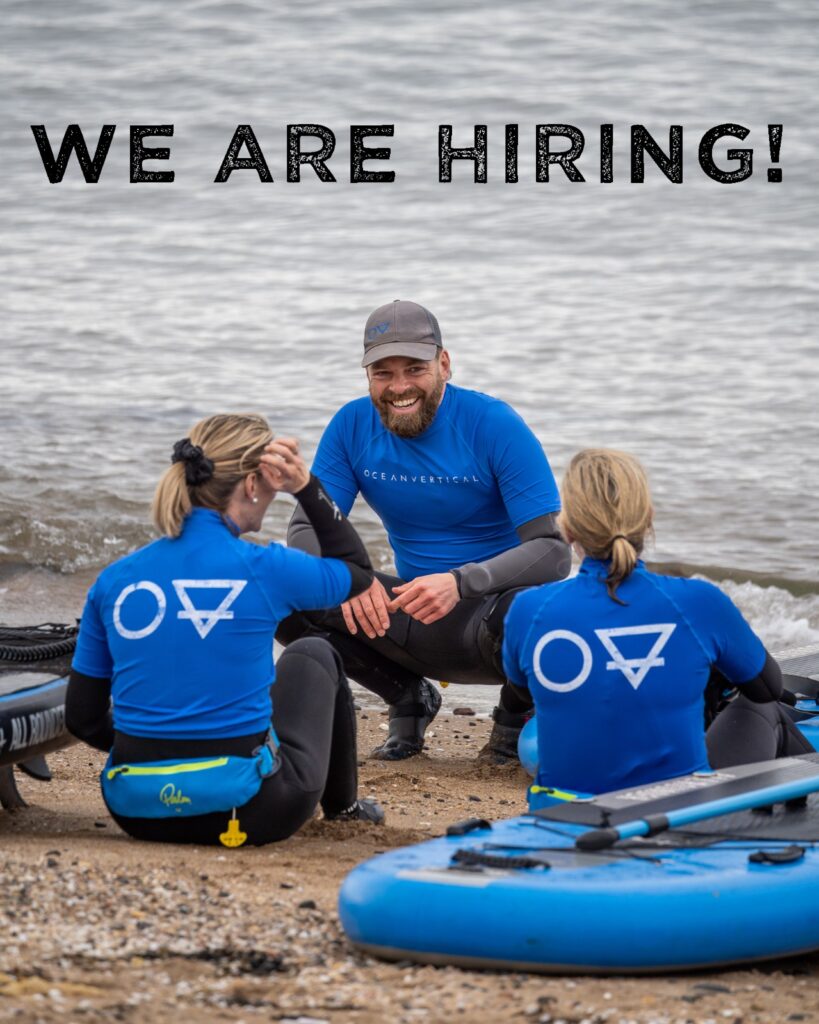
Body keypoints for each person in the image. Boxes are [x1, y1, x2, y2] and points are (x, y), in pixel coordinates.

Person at [66, 413, 384, 846]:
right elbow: (358, 573)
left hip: (137, 811)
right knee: (313, 653)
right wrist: (306, 486)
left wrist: (164, 761)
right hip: (252, 811)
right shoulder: (266, 568)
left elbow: (82, 720)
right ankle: (344, 809)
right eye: (271, 484)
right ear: (252, 484)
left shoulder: (116, 580)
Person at [278, 300, 571, 761]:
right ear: (367, 375)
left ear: (444, 364)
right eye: (383, 373)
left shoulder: (493, 424)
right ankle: (406, 699)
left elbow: (553, 553)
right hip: (405, 620)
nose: (399, 387)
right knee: (281, 589)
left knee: (538, 608)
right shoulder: (351, 425)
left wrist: (462, 582)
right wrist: (347, 578)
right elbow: (305, 526)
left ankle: (513, 722)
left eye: (414, 368)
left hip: (493, 625)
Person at [502, 448, 812, 805]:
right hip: (674, 814)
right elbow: (767, 687)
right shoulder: (699, 602)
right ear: (648, 518)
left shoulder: (529, 608)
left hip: (560, 810)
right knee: (764, 710)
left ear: (568, 528)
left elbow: (521, 693)